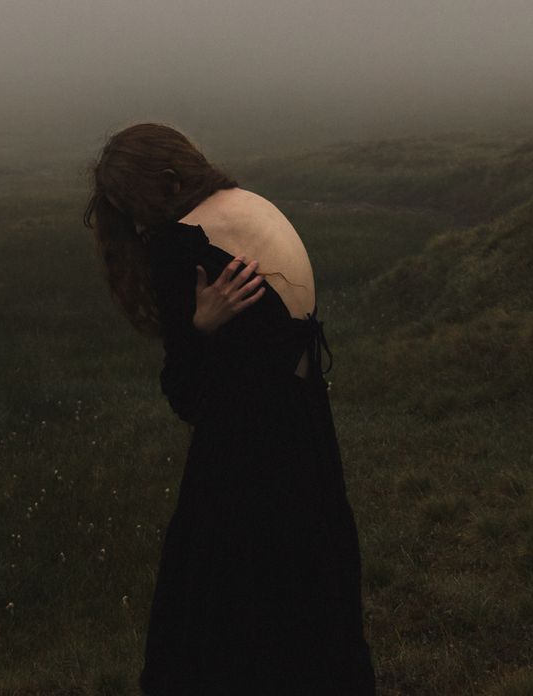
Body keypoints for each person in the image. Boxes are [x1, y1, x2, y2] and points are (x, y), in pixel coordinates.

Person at [84, 122, 376, 695]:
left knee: (218, 626)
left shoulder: (180, 246)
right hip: (307, 440)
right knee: (309, 608)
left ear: (165, 181)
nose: (139, 227)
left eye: (136, 208)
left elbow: (185, 393)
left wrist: (198, 327)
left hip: (243, 462)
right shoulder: (253, 205)